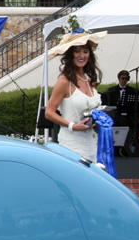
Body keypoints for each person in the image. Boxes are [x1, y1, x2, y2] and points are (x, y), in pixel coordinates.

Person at [44, 30, 106, 163]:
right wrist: (72, 126)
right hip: (72, 145)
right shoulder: (64, 82)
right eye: (77, 51)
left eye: (85, 51)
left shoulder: (90, 81)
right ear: (71, 54)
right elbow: (49, 112)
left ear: (90, 54)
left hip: (92, 142)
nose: (81, 55)